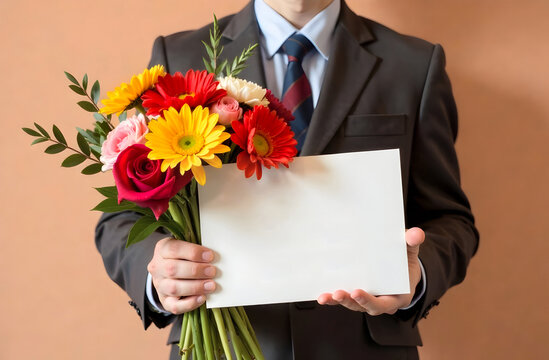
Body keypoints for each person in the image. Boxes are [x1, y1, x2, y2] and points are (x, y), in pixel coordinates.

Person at [95, 0, 479, 359]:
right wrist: (158, 271)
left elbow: (450, 220)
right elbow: (123, 219)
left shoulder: (414, 64)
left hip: (363, 347)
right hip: (222, 344)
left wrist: (417, 275)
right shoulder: (179, 57)